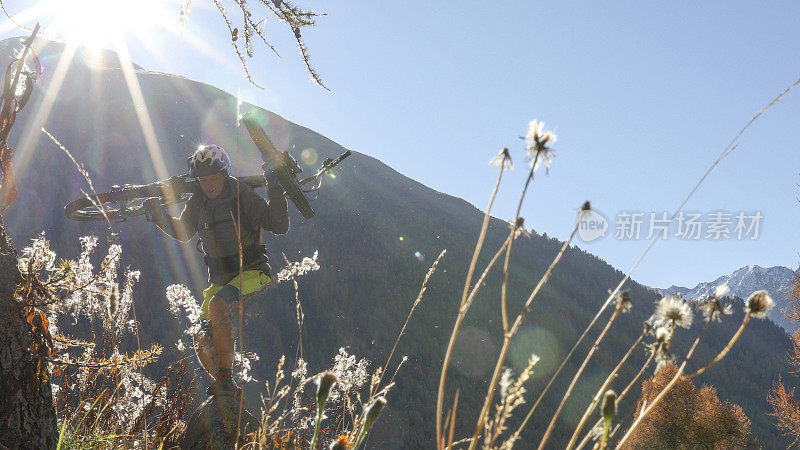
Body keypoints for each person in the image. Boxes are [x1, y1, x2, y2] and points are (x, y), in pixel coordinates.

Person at [145, 144, 289, 394]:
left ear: (224, 175)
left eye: (213, 178)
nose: (208, 185)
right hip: (221, 281)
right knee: (200, 337)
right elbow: (184, 233)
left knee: (217, 306)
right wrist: (158, 216)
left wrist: (276, 187)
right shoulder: (199, 200)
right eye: (202, 180)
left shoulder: (241, 194)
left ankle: (224, 377)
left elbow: (279, 224)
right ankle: (227, 387)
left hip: (253, 273)